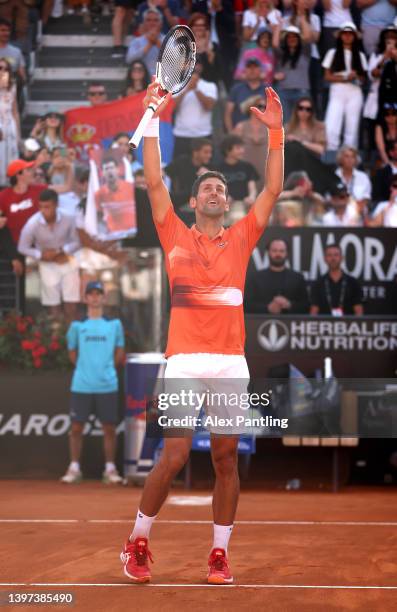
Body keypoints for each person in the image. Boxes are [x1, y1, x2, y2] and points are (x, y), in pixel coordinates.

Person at [119, 81, 284, 584]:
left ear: (228, 204)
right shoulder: (173, 230)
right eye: (207, 188)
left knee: (225, 455)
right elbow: (152, 182)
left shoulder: (242, 236)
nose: (215, 192)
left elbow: (273, 189)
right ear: (193, 202)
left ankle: (219, 554)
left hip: (230, 362)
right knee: (172, 453)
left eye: (222, 190)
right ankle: (138, 541)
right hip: (185, 361)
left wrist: (275, 136)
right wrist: (152, 116)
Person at [61, 280, 125, 484]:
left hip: (108, 384)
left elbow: (120, 350)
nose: (95, 297)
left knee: (109, 428)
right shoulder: (77, 326)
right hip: (82, 385)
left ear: (103, 297)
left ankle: (110, 469)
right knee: (76, 428)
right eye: (91, 294)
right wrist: (85, 368)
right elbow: (72, 352)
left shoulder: (114, 325)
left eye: (99, 293)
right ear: (86, 298)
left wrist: (106, 369)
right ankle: (74, 468)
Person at [17, 188, 80, 323]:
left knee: (72, 305)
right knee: (53, 305)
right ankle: (57, 339)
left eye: (47, 207)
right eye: (40, 207)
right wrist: (40, 255)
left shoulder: (69, 217)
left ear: (56, 205)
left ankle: (72, 338)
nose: (43, 210)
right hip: (47, 265)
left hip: (68, 261)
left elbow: (78, 241)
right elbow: (22, 247)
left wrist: (62, 250)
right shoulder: (32, 223)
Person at [322, 22, 368, 151]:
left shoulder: (360, 55)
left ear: (354, 36)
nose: (347, 36)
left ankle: (349, 157)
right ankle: (330, 154)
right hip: (338, 90)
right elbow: (327, 76)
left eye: (350, 34)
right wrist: (345, 78)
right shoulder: (332, 52)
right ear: (341, 36)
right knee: (331, 125)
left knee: (352, 128)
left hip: (355, 91)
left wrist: (356, 77)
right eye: (345, 33)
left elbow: (363, 79)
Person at [244, 238, 309, 313]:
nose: (278, 254)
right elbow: (246, 305)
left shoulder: (298, 278)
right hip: (260, 323)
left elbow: (306, 306)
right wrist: (267, 308)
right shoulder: (255, 278)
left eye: (281, 251)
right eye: (274, 250)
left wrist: (289, 304)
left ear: (287, 253)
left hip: (291, 323)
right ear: (268, 252)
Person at [172, 58, 218, 158]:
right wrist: (187, 88)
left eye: (196, 63)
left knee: (205, 169)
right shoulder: (176, 86)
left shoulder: (210, 86)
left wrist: (196, 89)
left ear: (200, 67)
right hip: (181, 135)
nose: (192, 66)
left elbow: (209, 106)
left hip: (203, 135)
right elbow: (171, 108)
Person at [310, 243, 363, 315]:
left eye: (336, 255)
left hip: (349, 324)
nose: (333, 258)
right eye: (329, 255)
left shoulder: (353, 283)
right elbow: (314, 311)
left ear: (342, 258)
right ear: (325, 259)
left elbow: (358, 310)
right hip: (324, 324)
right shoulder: (318, 283)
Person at [216, 134, 259, 221]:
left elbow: (252, 187)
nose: (242, 151)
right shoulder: (217, 169)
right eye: (238, 148)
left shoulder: (247, 166)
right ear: (228, 150)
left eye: (242, 148)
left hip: (243, 203)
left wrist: (251, 197)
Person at [165, 138, 214, 211]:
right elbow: (164, 173)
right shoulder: (181, 161)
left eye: (210, 152)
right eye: (206, 152)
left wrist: (208, 177)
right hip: (179, 201)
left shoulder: (210, 167)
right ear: (195, 152)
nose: (209, 155)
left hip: (198, 203)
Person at [95, 157, 136, 237]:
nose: (110, 171)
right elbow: (99, 216)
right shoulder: (98, 194)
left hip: (133, 232)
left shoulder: (132, 188)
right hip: (113, 235)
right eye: (106, 169)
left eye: (112, 168)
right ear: (102, 173)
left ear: (118, 169)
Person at [224, 57, 266, 131]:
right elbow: (228, 114)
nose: (252, 70)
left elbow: (275, 114)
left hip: (262, 134)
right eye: (249, 67)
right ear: (245, 70)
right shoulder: (236, 89)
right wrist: (231, 134)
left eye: (255, 67)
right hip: (240, 134)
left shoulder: (269, 90)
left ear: (260, 70)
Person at [125, 8, 164, 76]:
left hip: (164, 81)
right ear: (144, 23)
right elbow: (129, 60)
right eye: (148, 20)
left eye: (156, 20)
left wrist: (157, 42)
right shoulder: (136, 41)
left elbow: (176, 60)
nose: (152, 23)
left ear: (161, 23)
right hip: (144, 81)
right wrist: (149, 44)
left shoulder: (169, 39)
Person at [0, 58, 19, 187]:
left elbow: (15, 111)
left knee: (10, 158)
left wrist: (18, 135)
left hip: (9, 125)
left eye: (6, 69)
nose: (3, 71)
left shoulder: (12, 86)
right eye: (0, 68)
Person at [335, 146, 372, 211]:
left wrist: (356, 210)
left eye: (352, 157)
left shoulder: (363, 177)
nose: (350, 160)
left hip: (359, 213)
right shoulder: (334, 176)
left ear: (355, 160)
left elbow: (366, 199)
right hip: (339, 212)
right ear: (340, 159)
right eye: (347, 156)